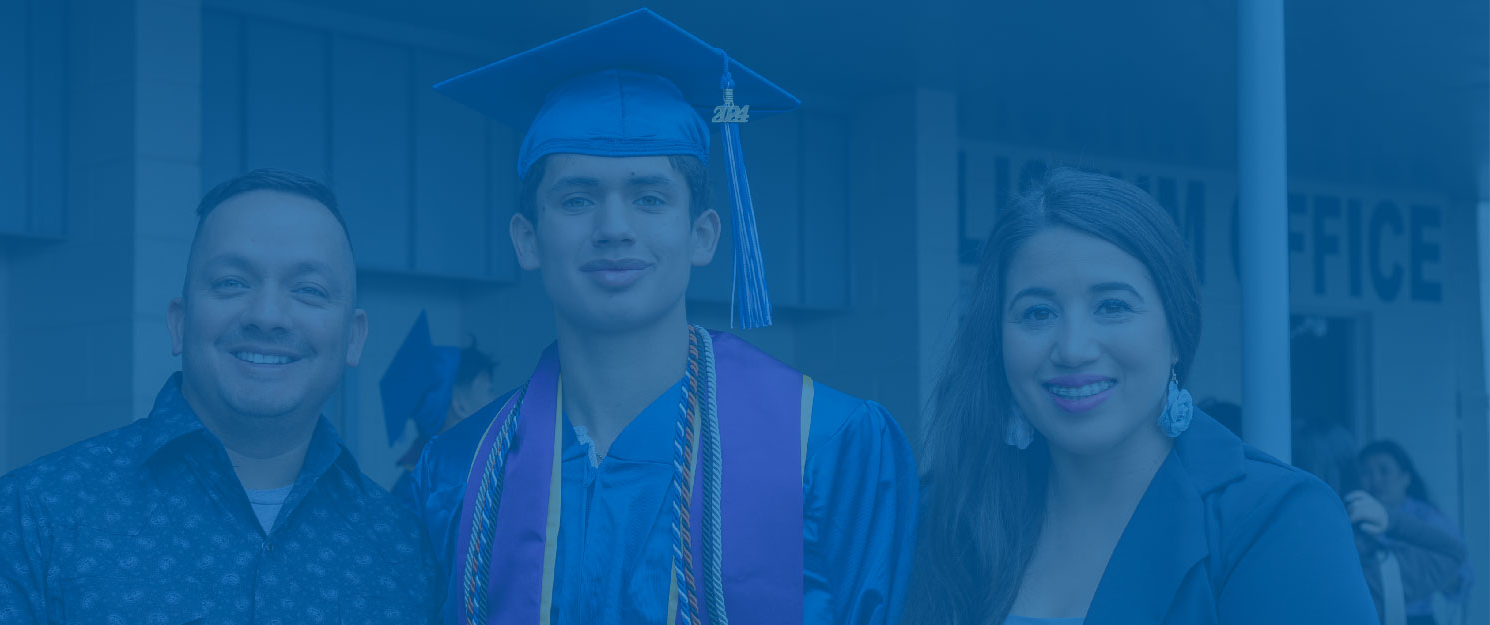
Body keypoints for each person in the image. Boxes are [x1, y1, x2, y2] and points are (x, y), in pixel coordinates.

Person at [409, 9, 917, 625]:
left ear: (703, 236)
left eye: (649, 197)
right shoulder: (461, 470)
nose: (614, 228)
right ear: (527, 239)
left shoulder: (827, 444)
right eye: (577, 199)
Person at [0, 169, 440, 624]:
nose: (268, 315)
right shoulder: (36, 518)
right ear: (179, 323)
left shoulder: (404, 547)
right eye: (232, 282)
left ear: (353, 338)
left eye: (308, 290)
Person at [907, 167, 1375, 625]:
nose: (1072, 349)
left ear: (1176, 333)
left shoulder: (1278, 520)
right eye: (1037, 313)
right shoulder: (945, 517)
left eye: (1112, 306)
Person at [1353, 440, 1472, 625]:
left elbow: (1461, 576)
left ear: (1406, 477)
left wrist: (1410, 578)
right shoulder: (1353, 517)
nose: (1376, 480)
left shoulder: (1429, 517)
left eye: (1384, 471)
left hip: (1416, 617)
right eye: (1367, 473)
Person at [381, 310, 498, 493]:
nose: (495, 401)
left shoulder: (411, 486)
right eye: (489, 391)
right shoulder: (462, 486)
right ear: (460, 406)